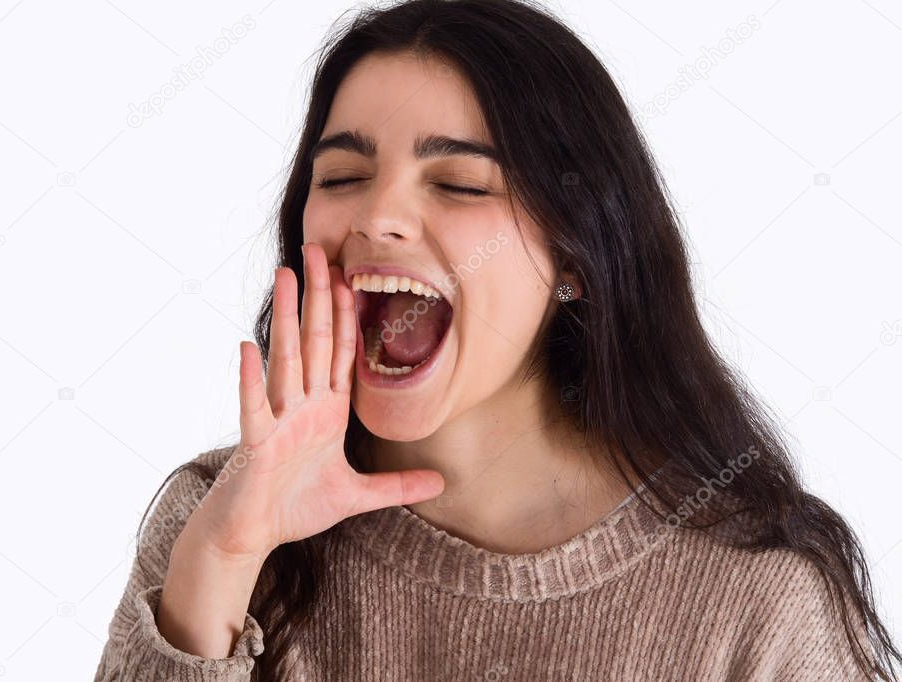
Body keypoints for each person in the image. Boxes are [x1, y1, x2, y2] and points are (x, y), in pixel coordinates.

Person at [94, 1, 900, 679]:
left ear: (575, 258)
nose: (377, 217)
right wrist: (225, 560)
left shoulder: (756, 598)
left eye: (458, 184)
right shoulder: (221, 523)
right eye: (340, 178)